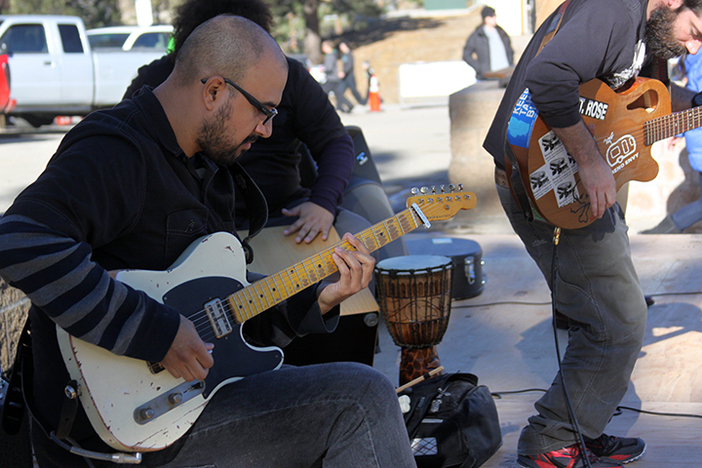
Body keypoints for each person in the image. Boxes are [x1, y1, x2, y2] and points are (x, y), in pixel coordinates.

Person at [0, 15, 417, 468]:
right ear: (214, 91)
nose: (267, 130)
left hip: (183, 404)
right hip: (112, 428)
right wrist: (157, 333)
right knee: (363, 401)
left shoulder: (208, 167)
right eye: (265, 110)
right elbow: (21, 240)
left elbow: (220, 309)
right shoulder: (116, 151)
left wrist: (320, 297)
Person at [483, 0, 702, 466]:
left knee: (608, 314)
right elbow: (547, 79)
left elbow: (653, 95)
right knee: (617, 321)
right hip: (547, 180)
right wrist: (590, 160)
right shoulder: (614, 10)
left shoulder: (652, 32)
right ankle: (552, 438)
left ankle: (582, 425)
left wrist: (697, 106)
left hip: (575, 180)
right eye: (696, 29)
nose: (694, 45)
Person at [124, 1, 407, 261]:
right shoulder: (161, 81)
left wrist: (323, 203)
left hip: (284, 216)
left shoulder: (287, 75)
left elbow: (335, 141)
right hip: (189, 232)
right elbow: (126, 152)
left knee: (364, 243)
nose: (265, 130)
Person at [643, 51, 702, 233]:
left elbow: (691, 100)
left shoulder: (694, 61)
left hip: (696, 136)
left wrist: (681, 132)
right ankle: (668, 227)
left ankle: (667, 227)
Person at [462, 6, 514, 80]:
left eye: (495, 15)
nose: (494, 18)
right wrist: (481, 69)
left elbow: (510, 50)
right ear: (485, 18)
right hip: (489, 77)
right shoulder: (477, 35)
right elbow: (466, 55)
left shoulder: (501, 32)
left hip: (505, 74)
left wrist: (510, 63)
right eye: (491, 16)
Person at [321, 40, 355, 114]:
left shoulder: (329, 56)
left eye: (323, 46)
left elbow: (329, 68)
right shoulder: (334, 54)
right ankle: (349, 105)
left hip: (331, 78)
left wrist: (323, 69)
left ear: (328, 47)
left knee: (322, 92)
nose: (322, 48)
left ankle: (321, 108)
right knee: (338, 93)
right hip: (335, 78)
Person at [338, 41, 367, 106]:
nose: (341, 48)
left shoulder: (349, 54)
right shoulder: (343, 55)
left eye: (343, 46)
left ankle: (362, 102)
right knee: (340, 91)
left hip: (349, 76)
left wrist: (344, 72)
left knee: (353, 90)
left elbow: (350, 66)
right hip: (344, 77)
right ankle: (342, 106)